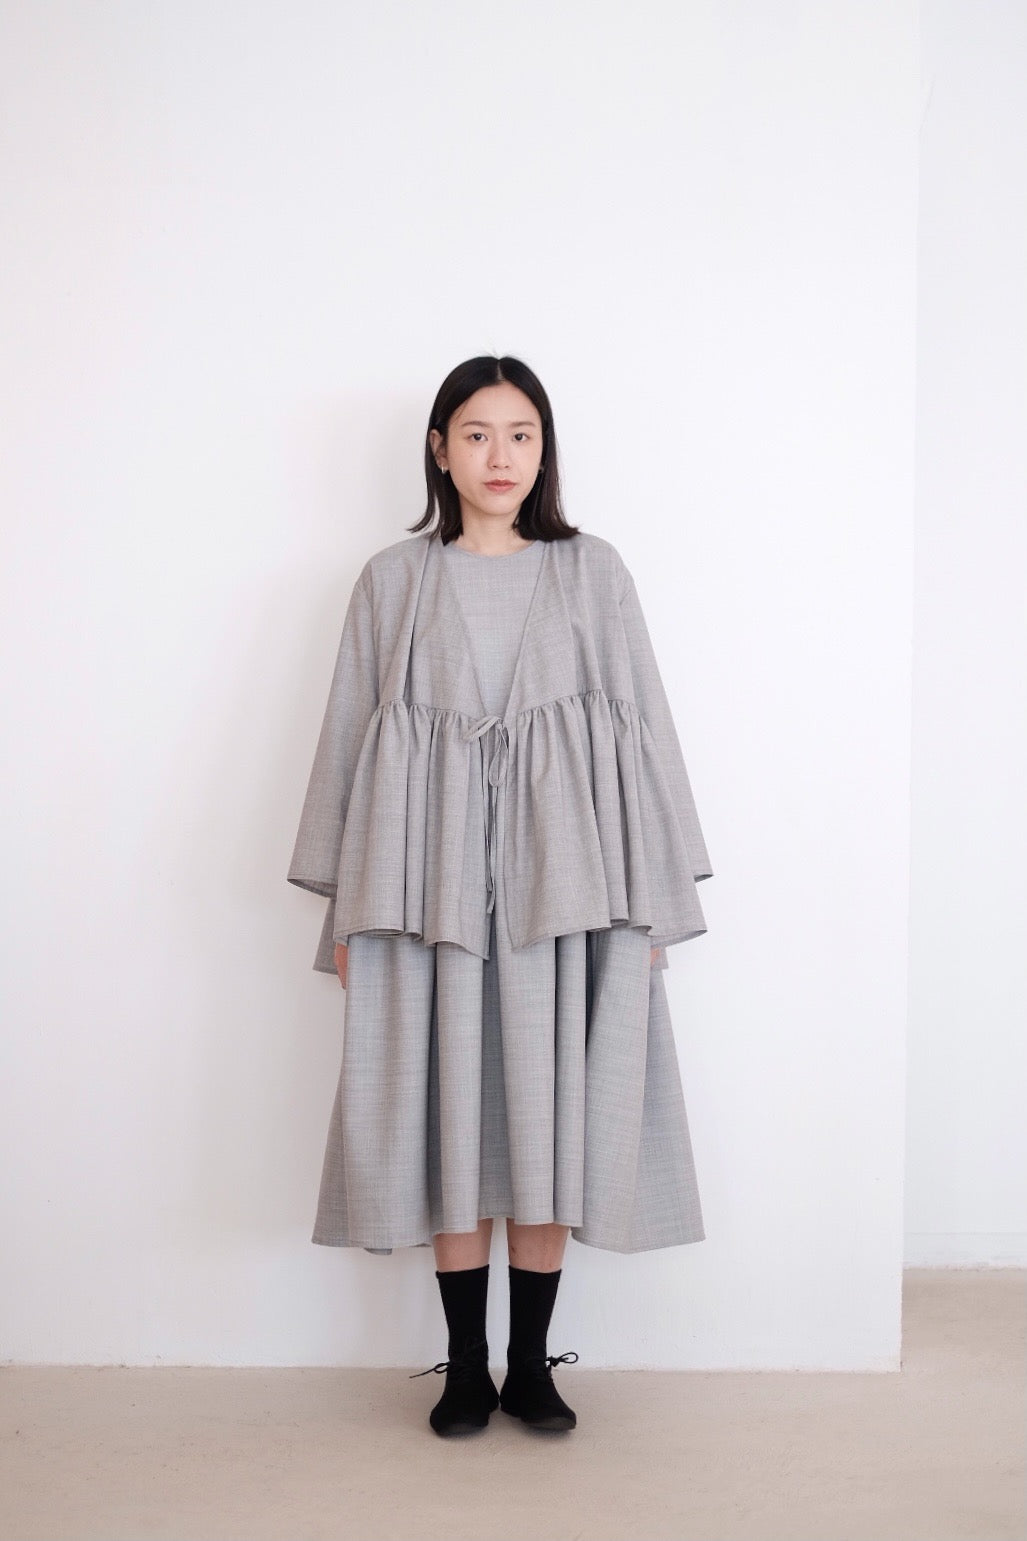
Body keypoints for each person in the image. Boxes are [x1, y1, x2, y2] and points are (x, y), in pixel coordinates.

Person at [288, 355, 713, 1437]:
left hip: (568, 887)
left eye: (521, 434)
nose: (500, 456)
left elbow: (642, 729)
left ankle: (530, 1364)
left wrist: (653, 904)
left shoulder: (592, 571)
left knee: (547, 1120)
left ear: (544, 449)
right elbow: (347, 740)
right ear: (439, 449)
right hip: (420, 884)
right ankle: (464, 1366)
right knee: (447, 1119)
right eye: (476, 433)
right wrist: (345, 916)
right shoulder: (392, 580)